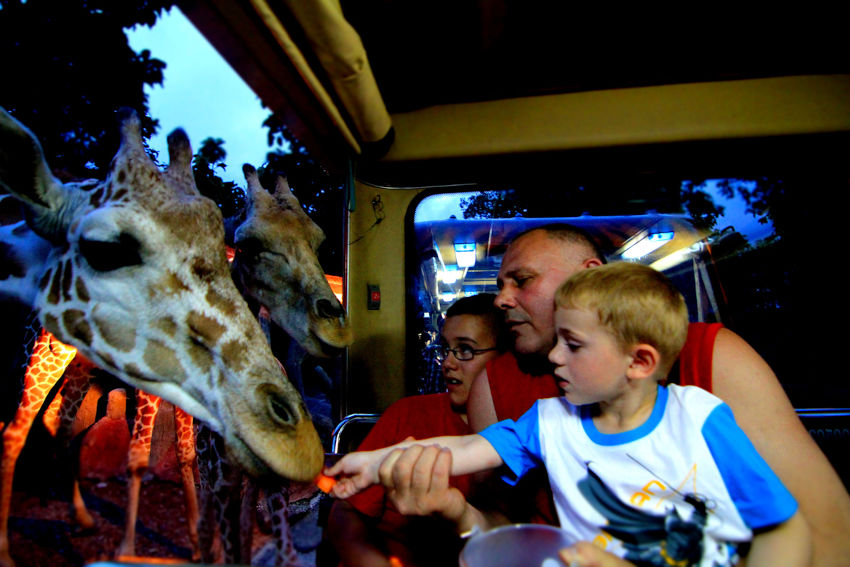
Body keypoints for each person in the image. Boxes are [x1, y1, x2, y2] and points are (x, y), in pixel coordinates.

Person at [380, 224, 850, 567]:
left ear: (589, 276)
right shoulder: (495, 384)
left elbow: (827, 527)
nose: (501, 299)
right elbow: (507, 531)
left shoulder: (711, 356)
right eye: (499, 286)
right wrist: (459, 515)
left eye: (520, 281)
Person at [325, 293, 508, 567]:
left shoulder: (522, 434)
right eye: (445, 348)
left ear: (504, 359)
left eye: (466, 350)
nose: (448, 362)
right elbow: (347, 511)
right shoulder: (408, 414)